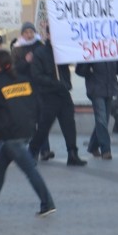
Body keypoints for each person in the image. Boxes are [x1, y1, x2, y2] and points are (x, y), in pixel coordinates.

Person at [0, 49, 56, 217]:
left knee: (30, 170)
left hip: (11, 134)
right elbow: (37, 104)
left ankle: (47, 203)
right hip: (25, 129)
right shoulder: (25, 81)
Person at [27, 32, 86, 166]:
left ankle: (72, 154)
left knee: (69, 125)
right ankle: (32, 150)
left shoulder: (63, 50)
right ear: (47, 35)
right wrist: (54, 83)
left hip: (63, 93)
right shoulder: (40, 52)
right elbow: (36, 75)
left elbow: (73, 62)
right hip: (48, 94)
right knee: (44, 126)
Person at [13, 22, 53, 159]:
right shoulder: (17, 48)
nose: (29, 35)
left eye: (31, 32)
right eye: (26, 32)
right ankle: (33, 150)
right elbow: (15, 69)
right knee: (31, 120)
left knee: (43, 118)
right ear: (22, 34)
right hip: (25, 88)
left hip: (40, 86)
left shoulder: (39, 46)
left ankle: (45, 150)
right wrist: (26, 60)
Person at [75, 60, 118, 160]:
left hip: (109, 89)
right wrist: (88, 65)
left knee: (103, 121)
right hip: (96, 90)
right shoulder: (90, 53)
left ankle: (93, 146)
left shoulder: (110, 52)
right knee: (101, 119)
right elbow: (79, 70)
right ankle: (106, 150)